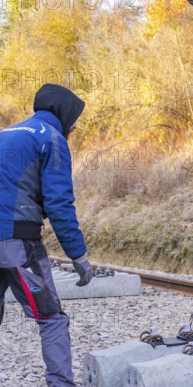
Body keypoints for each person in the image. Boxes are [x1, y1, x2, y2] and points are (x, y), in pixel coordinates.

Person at [0, 84, 94, 386]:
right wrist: (78, 255)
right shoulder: (51, 139)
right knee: (51, 317)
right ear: (62, 113)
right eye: (74, 118)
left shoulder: (5, 135)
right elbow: (59, 204)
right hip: (18, 242)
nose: (75, 125)